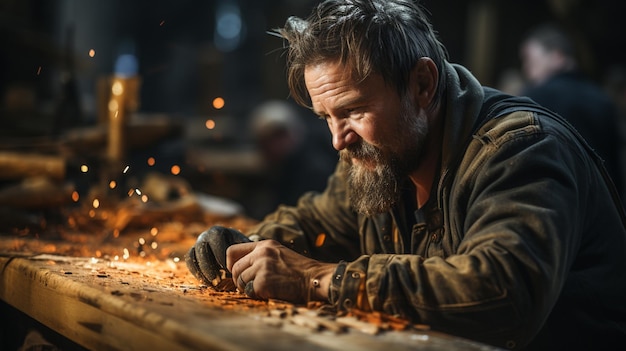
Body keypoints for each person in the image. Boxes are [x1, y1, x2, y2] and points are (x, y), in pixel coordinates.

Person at [185, 1, 626, 350]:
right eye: (326, 117)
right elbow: (316, 222)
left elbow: (500, 293)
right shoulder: (380, 156)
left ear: (422, 85)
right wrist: (241, 246)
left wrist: (315, 279)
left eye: (354, 110)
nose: (338, 139)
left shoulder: (521, 151)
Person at [519, 23, 625, 199]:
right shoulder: (603, 100)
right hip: (600, 208)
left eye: (530, 59)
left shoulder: (533, 99)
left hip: (552, 206)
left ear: (557, 56)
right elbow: (615, 171)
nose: (525, 68)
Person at [244, 100, 337, 219]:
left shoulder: (313, 171)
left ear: (294, 133)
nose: (274, 145)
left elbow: (302, 216)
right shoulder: (282, 167)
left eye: (279, 136)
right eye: (267, 140)